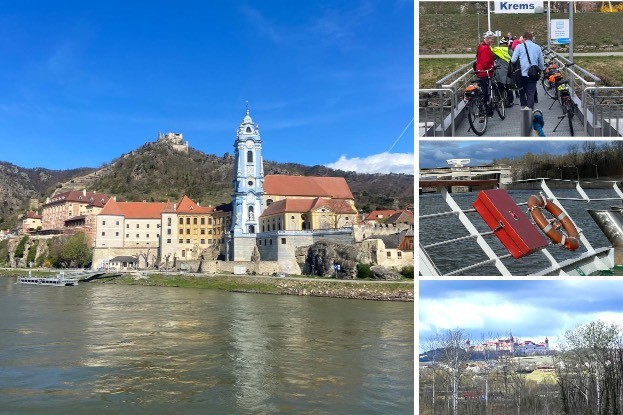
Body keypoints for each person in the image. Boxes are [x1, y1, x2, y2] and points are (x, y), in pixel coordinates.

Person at [511, 31, 545, 110]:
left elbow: (513, 60)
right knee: (531, 93)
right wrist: (543, 70)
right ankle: (530, 110)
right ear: (532, 38)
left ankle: (523, 107)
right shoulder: (537, 47)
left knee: (522, 91)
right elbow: (541, 62)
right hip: (533, 73)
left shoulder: (519, 47)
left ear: (524, 38)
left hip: (522, 74)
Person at [476, 31, 496, 115]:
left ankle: (485, 109)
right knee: (486, 92)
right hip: (485, 73)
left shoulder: (481, 46)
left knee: (485, 91)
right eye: (491, 39)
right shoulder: (485, 48)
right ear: (487, 39)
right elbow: (485, 62)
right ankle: (485, 110)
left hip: (481, 71)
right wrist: (492, 67)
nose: (492, 40)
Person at [491, 38, 514, 107]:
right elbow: (514, 59)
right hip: (508, 71)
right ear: (507, 44)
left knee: (499, 86)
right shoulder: (510, 51)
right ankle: (510, 102)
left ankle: (500, 101)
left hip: (499, 71)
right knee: (508, 88)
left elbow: (492, 57)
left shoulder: (497, 51)